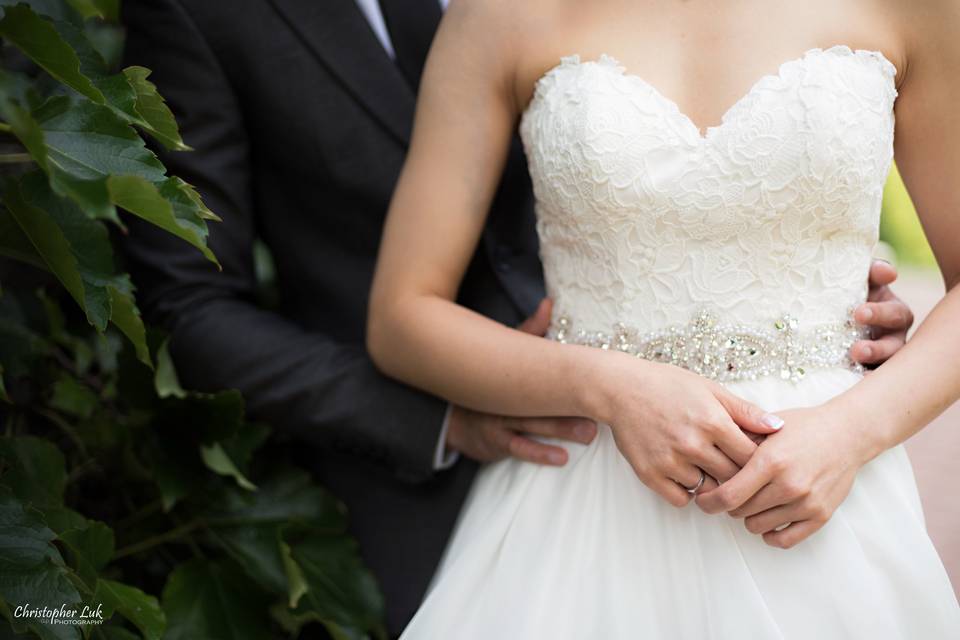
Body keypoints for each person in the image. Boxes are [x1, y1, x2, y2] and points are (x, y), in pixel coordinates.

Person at [121, 0, 915, 636]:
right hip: (550, 471)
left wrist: (849, 400)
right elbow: (212, 306)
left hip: (821, 475)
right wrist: (598, 383)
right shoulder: (495, 17)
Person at [367, 0, 960, 637]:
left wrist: (852, 433)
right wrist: (607, 386)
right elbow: (403, 316)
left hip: (821, 491)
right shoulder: (499, 15)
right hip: (580, 502)